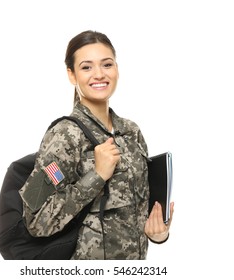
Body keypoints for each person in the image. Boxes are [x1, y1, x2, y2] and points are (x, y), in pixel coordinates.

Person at [19, 30, 174, 260]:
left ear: (117, 69)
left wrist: (158, 233)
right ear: (71, 75)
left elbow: (139, 211)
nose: (99, 74)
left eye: (107, 64)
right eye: (86, 67)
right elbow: (36, 222)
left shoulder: (131, 131)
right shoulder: (63, 135)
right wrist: (97, 176)